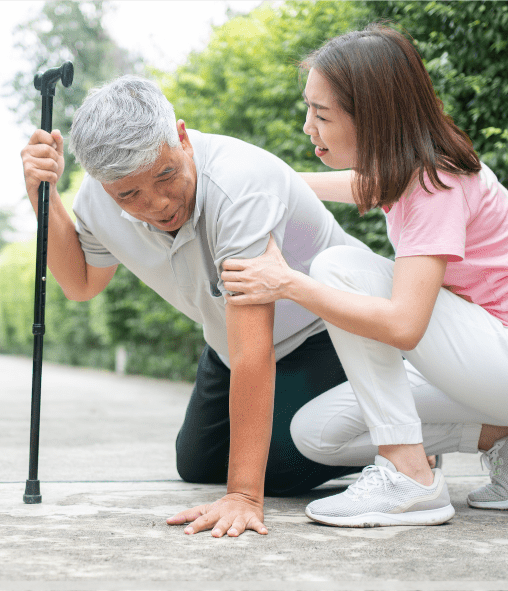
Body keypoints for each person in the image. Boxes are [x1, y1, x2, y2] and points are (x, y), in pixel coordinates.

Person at [221, 24, 508, 528]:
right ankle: (503, 435)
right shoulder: (405, 168)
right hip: (493, 362)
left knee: (337, 268)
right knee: (316, 434)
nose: (309, 127)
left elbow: (405, 325)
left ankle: (408, 477)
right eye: (309, 109)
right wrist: (266, 179)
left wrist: (286, 283)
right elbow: (357, 185)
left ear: (372, 117)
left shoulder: (435, 182)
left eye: (321, 114)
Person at [20, 74, 370, 538]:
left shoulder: (238, 185)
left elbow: (254, 351)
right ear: (103, 185)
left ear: (182, 138)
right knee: (198, 464)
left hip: (329, 330)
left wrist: (244, 497)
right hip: (227, 343)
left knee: (277, 473)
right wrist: (41, 195)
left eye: (166, 175)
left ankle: (404, 428)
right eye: (129, 194)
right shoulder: (99, 199)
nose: (158, 203)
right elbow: (82, 284)